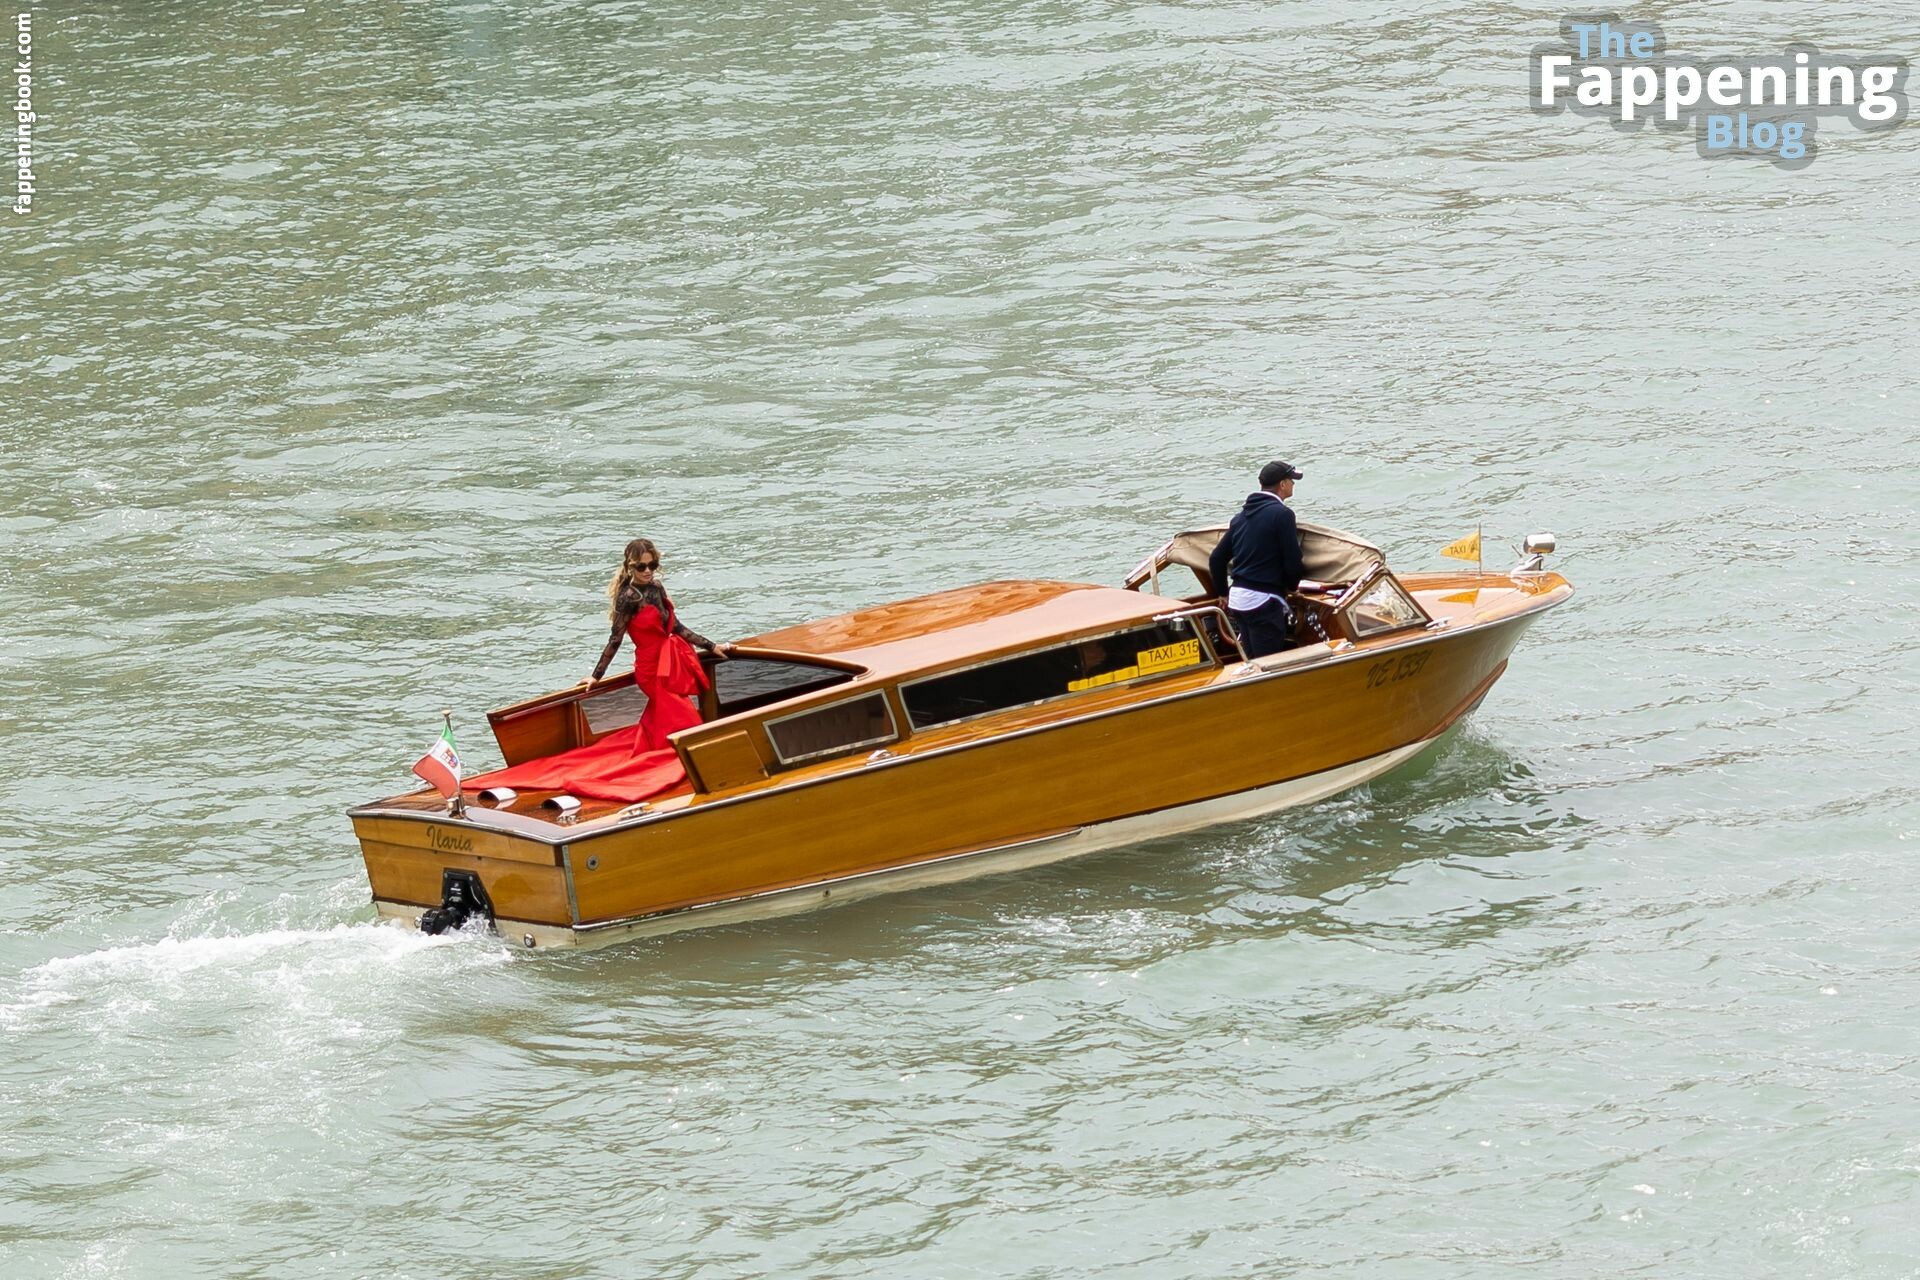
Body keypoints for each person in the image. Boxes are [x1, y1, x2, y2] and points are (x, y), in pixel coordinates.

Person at [590, 537, 734, 751]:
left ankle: (656, 749)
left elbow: (676, 626)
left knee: (668, 713)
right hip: (650, 669)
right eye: (641, 567)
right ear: (630, 567)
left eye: (653, 565)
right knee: (684, 715)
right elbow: (615, 639)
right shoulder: (627, 597)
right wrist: (596, 675)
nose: (648, 571)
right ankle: (698, 754)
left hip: (670, 662)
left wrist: (712, 646)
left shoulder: (657, 587)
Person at [1208, 460, 1305, 658]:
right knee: (1268, 663)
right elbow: (1293, 561)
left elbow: (1217, 559)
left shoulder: (1240, 518)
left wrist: (1223, 593)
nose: (1293, 484)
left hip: (1238, 599)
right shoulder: (1283, 515)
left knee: (1251, 659)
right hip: (1263, 601)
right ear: (1283, 484)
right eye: (1292, 480)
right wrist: (1292, 587)